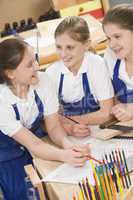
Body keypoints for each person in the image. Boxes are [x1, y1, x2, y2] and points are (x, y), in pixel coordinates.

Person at [0, 38, 90, 200]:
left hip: (36, 140)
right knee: (25, 194)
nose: (37, 66)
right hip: (7, 152)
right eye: (29, 65)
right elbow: (34, 144)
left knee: (57, 186)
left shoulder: (44, 81)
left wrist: (68, 145)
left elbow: (54, 127)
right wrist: (63, 155)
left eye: (35, 59)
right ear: (10, 73)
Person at [46, 16, 114, 137]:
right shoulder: (51, 73)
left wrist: (72, 121)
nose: (63, 54)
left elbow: (106, 113)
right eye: (59, 47)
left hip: (102, 131)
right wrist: (70, 128)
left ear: (86, 44)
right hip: (70, 134)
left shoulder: (96, 64)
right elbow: (49, 119)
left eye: (70, 47)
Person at [103, 4, 133, 122]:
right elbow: (111, 93)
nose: (112, 44)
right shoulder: (110, 57)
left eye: (117, 36)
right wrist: (118, 106)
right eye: (109, 38)